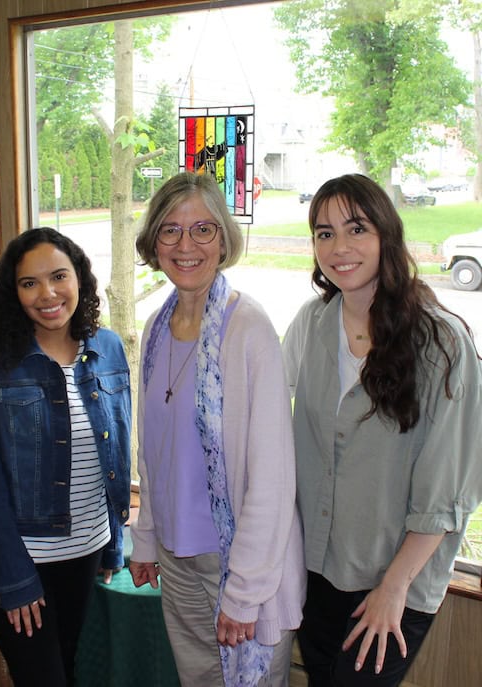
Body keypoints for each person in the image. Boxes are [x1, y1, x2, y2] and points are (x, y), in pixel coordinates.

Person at [282, 173, 482, 687]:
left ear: (385, 237)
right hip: (316, 570)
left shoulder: (442, 343)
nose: (339, 247)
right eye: (324, 233)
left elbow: (449, 491)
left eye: (355, 229)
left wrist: (393, 589)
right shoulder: (311, 323)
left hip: (395, 584)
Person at [129, 171, 306, 687]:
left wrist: (244, 592)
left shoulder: (247, 329)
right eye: (170, 230)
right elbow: (154, 452)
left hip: (238, 563)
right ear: (153, 242)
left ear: (224, 240)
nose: (186, 245)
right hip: (177, 559)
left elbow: (272, 476)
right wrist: (145, 541)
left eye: (203, 229)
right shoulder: (158, 326)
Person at [0, 227, 131, 687]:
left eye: (58, 277)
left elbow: (116, 451)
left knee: (71, 669)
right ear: (13, 294)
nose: (47, 294)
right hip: (12, 556)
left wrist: (113, 542)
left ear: (80, 280)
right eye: (29, 283)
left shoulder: (107, 348)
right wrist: (13, 578)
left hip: (85, 550)